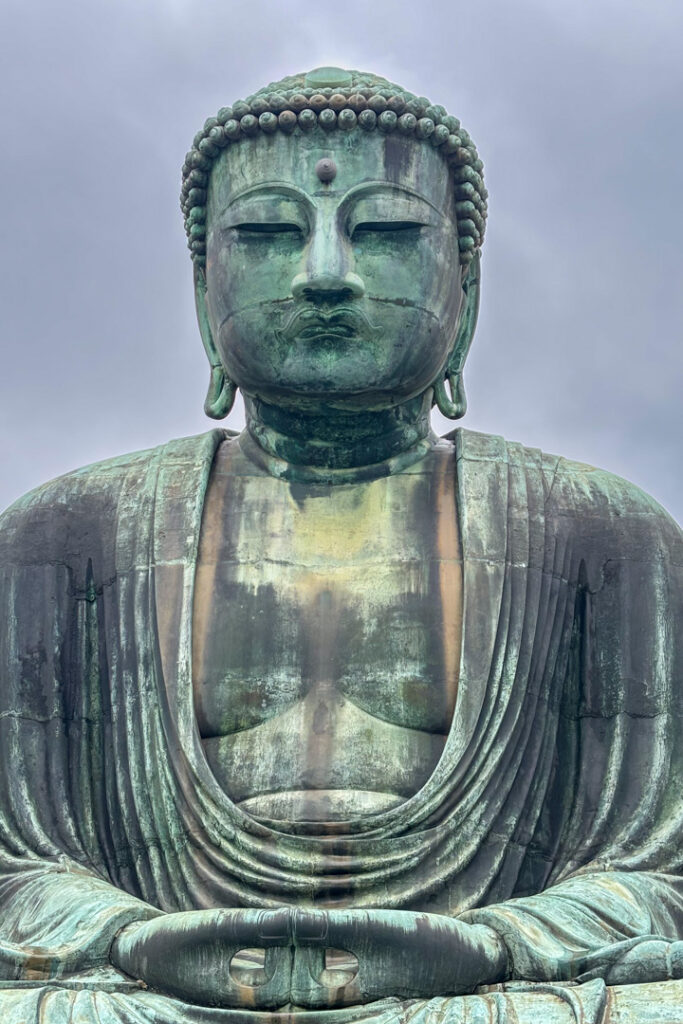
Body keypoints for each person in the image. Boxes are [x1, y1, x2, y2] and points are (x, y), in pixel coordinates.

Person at [1, 67, 682, 1023]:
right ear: (205, 288)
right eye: (270, 235)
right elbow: (15, 865)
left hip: (485, 990)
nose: (324, 272)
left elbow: (657, 870)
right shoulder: (63, 536)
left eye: (389, 233)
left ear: (464, 285)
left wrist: (494, 944)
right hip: (147, 988)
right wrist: (126, 936)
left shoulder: (602, 535)